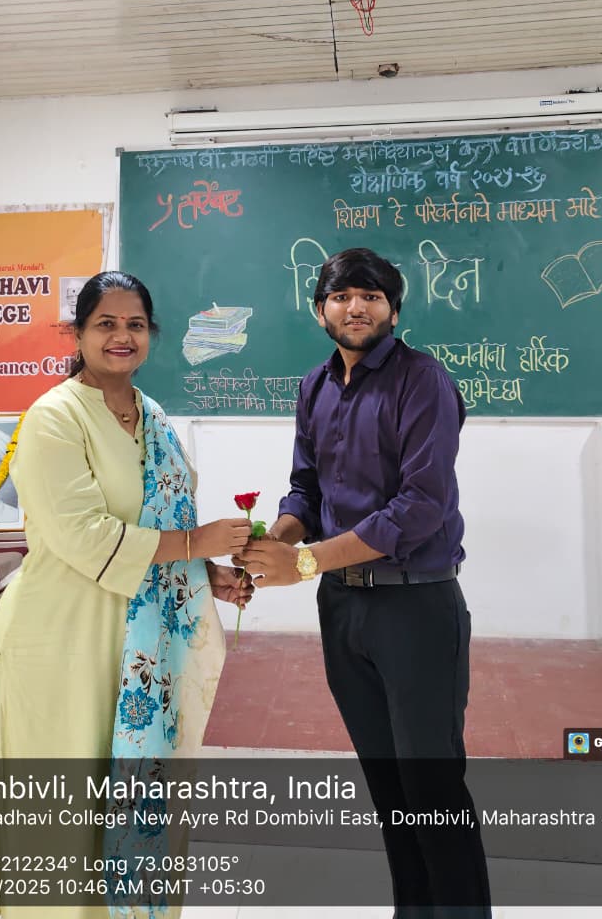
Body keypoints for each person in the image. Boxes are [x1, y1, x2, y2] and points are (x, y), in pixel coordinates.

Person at [0, 270, 252, 919]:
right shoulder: (54, 417)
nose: (122, 337)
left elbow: (164, 523)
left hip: (139, 647)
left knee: (128, 796)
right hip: (60, 643)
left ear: (151, 334)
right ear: (78, 334)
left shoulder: (154, 418)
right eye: (106, 324)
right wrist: (197, 543)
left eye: (135, 325)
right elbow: (84, 534)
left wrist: (205, 573)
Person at [240, 247, 491, 917]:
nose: (356, 307)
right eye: (342, 295)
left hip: (416, 605)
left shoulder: (422, 380)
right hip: (343, 607)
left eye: (372, 296)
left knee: (431, 788)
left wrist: (306, 561)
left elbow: (420, 506)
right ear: (319, 309)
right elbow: (306, 489)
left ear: (393, 311)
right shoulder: (314, 387)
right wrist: (274, 543)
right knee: (388, 786)